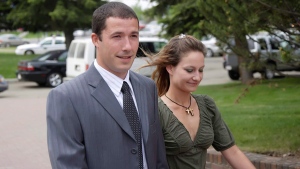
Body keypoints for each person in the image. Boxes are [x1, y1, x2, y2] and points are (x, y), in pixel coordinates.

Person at [46, 2, 169, 169]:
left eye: (133, 36)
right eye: (117, 36)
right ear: (96, 40)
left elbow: (158, 156)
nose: (128, 46)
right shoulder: (66, 97)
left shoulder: (147, 87)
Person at [144, 34, 255, 169]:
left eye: (201, 70)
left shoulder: (206, 105)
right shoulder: (155, 111)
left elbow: (233, 152)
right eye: (190, 70)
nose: (197, 77)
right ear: (170, 68)